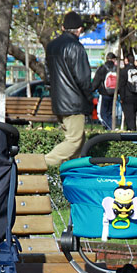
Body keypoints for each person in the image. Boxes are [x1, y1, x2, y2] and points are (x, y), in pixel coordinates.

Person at [44, 11, 92, 166]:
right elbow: (83, 79)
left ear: (63, 27)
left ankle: (74, 174)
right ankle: (40, 163)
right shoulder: (76, 47)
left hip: (58, 102)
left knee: (78, 142)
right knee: (74, 141)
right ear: (79, 30)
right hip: (74, 103)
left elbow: (48, 76)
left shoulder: (51, 46)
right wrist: (89, 98)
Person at [91, 52, 119, 130]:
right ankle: (111, 127)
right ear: (114, 60)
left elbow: (96, 82)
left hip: (104, 93)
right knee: (110, 113)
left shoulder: (102, 68)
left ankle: (110, 128)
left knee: (101, 114)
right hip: (114, 94)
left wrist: (90, 90)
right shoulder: (117, 69)